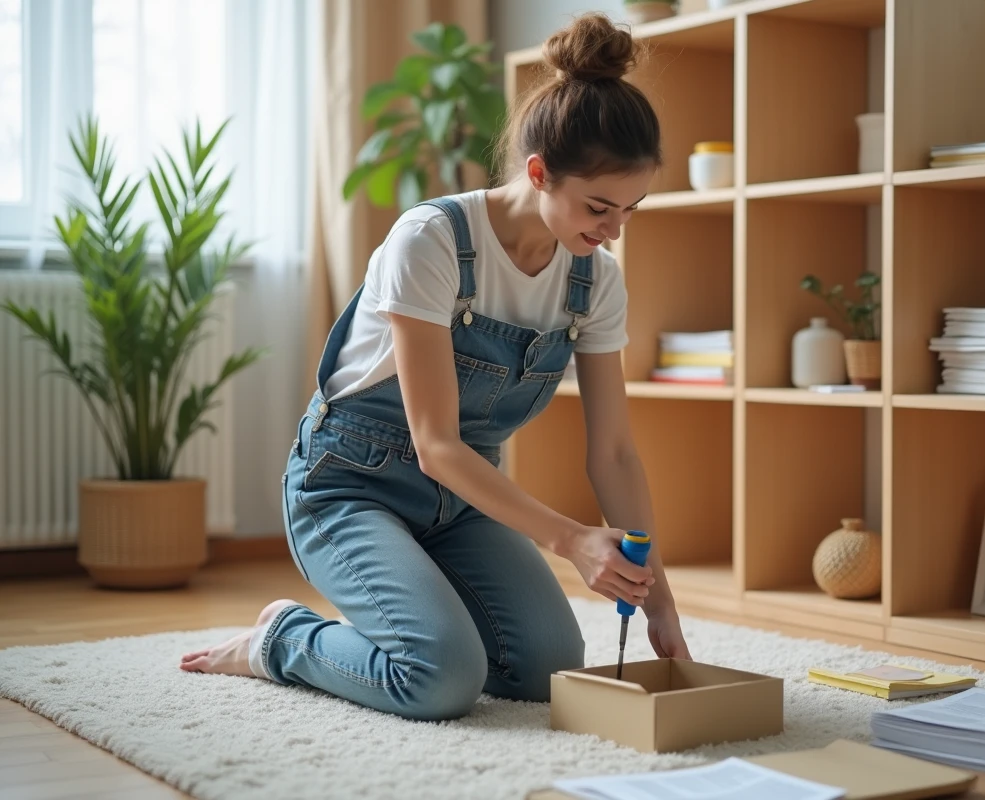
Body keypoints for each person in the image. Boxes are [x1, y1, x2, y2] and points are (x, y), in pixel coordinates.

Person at [179, 11, 692, 720]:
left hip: (462, 504)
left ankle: (410, 618)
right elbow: (436, 444)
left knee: (547, 669)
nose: (612, 231)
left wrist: (659, 598)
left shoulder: (595, 281)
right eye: (599, 207)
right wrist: (570, 540)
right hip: (350, 489)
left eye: (631, 210)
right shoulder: (432, 241)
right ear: (539, 173)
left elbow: (614, 455)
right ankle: (282, 640)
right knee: (441, 677)